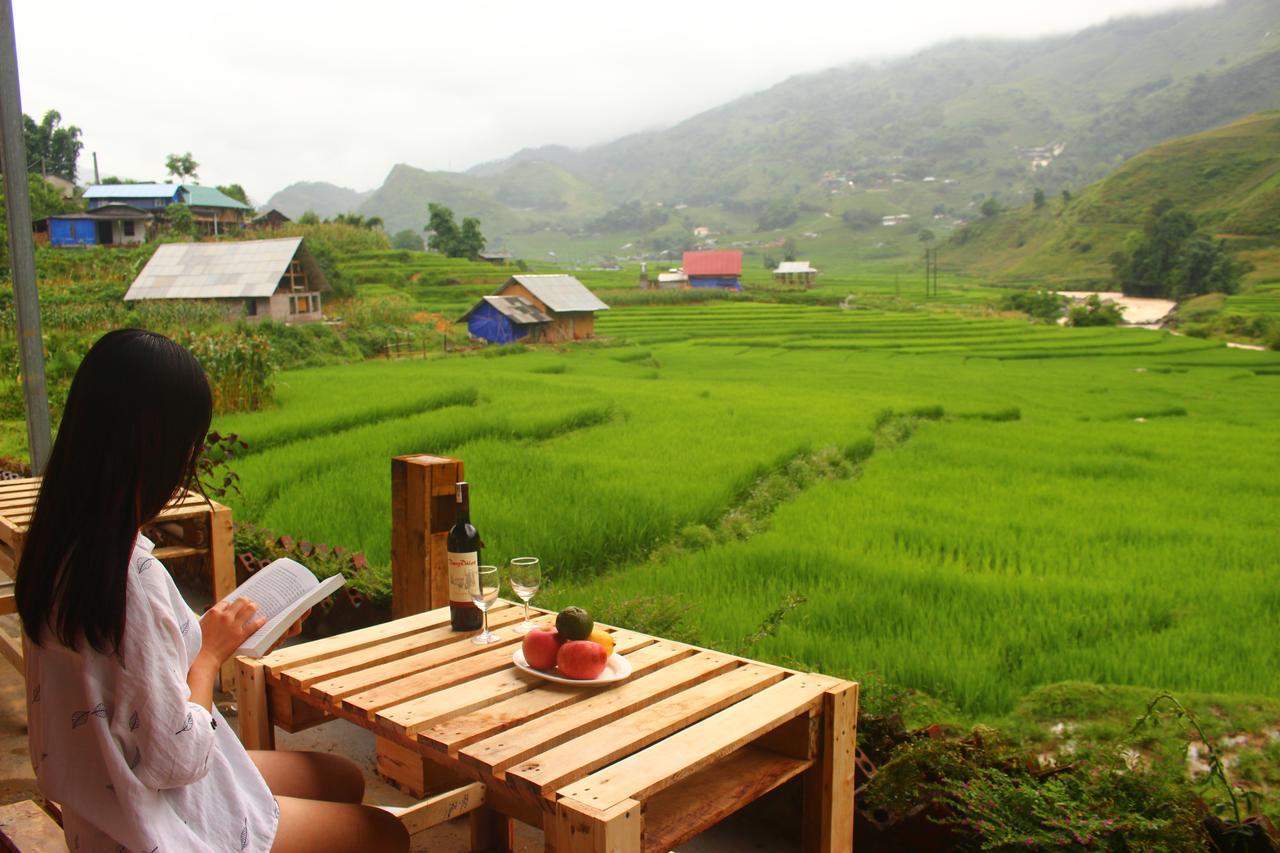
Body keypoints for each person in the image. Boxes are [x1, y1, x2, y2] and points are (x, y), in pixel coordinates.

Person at [15, 329, 409, 853]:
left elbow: (124, 681)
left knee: (339, 778)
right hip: (157, 827)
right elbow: (177, 760)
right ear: (155, 450)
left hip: (103, 806)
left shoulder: (57, 548)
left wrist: (206, 639)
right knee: (383, 833)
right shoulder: (130, 577)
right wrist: (208, 660)